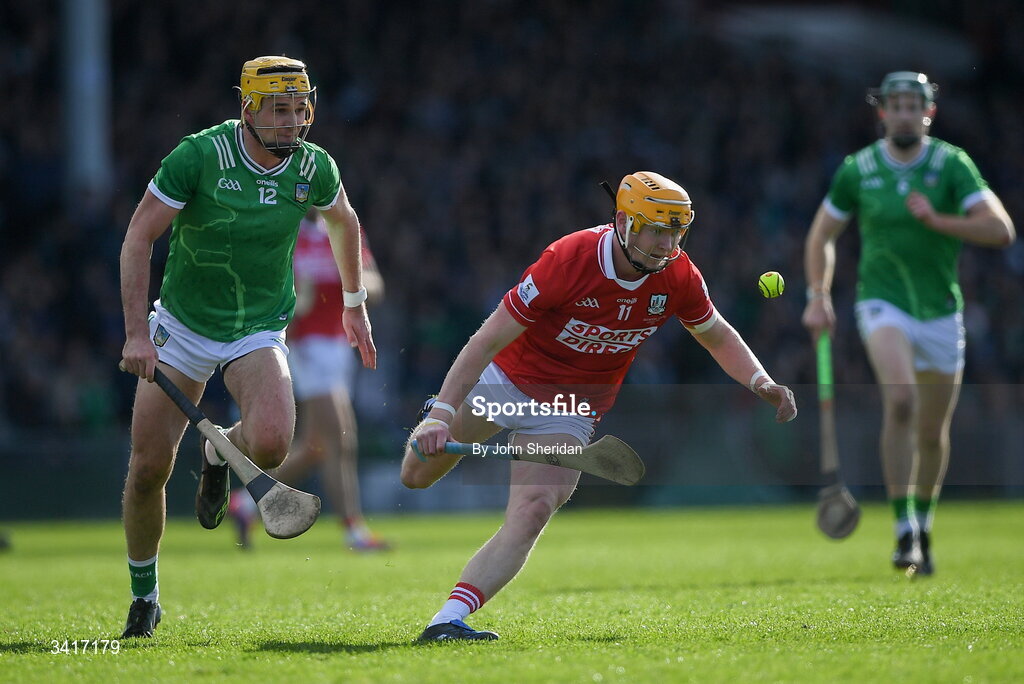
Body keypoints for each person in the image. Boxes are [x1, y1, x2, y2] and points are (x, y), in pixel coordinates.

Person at [402, 171, 797, 641]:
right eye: (655, 229)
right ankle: (434, 415)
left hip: (572, 405)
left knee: (533, 509)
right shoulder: (567, 259)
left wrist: (760, 380)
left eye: (675, 231)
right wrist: (443, 413)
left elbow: (716, 335)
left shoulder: (678, 275)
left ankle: (447, 619)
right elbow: (486, 339)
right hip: (508, 380)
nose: (665, 242)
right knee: (415, 475)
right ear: (625, 223)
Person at [117, 56, 376, 638]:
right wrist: (137, 331)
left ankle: (216, 454)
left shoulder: (313, 167)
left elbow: (345, 222)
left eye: (299, 110)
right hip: (181, 327)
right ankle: (144, 594)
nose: (291, 123)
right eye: (278, 110)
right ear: (247, 108)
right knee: (147, 469)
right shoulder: (200, 157)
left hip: (257, 326)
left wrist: (355, 303)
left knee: (271, 440)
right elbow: (138, 237)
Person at [802, 72, 1015, 575]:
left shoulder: (951, 165)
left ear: (928, 113)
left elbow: (1000, 230)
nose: (902, 113)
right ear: (882, 113)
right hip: (882, 303)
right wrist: (817, 295)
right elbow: (821, 237)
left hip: (941, 310)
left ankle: (922, 524)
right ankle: (902, 531)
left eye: (911, 105)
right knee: (900, 401)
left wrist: (941, 223)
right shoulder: (859, 169)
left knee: (932, 431)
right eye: (894, 105)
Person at [228, 210, 389, 551]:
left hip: (340, 345)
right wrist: (299, 304)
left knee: (316, 447)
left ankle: (245, 504)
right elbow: (269, 294)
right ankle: (353, 530)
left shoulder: (345, 226)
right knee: (342, 438)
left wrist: (351, 283)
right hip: (306, 345)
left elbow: (374, 284)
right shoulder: (285, 228)